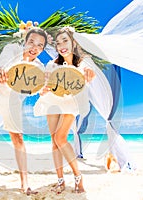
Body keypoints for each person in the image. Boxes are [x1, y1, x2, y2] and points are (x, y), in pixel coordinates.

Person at [0, 28, 48, 195]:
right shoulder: (12, 48)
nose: (34, 47)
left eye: (40, 45)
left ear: (43, 49)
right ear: (25, 42)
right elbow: (1, 68)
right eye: (31, 42)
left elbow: (31, 90)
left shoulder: (38, 67)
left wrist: (42, 89)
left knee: (17, 137)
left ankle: (25, 184)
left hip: (12, 99)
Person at [34, 27, 96, 193]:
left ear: (73, 42)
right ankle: (60, 180)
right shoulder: (51, 64)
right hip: (53, 100)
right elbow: (43, 87)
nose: (61, 45)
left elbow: (89, 73)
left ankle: (78, 176)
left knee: (61, 138)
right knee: (54, 142)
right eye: (58, 42)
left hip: (70, 101)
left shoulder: (83, 62)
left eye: (65, 41)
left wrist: (89, 74)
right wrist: (43, 90)